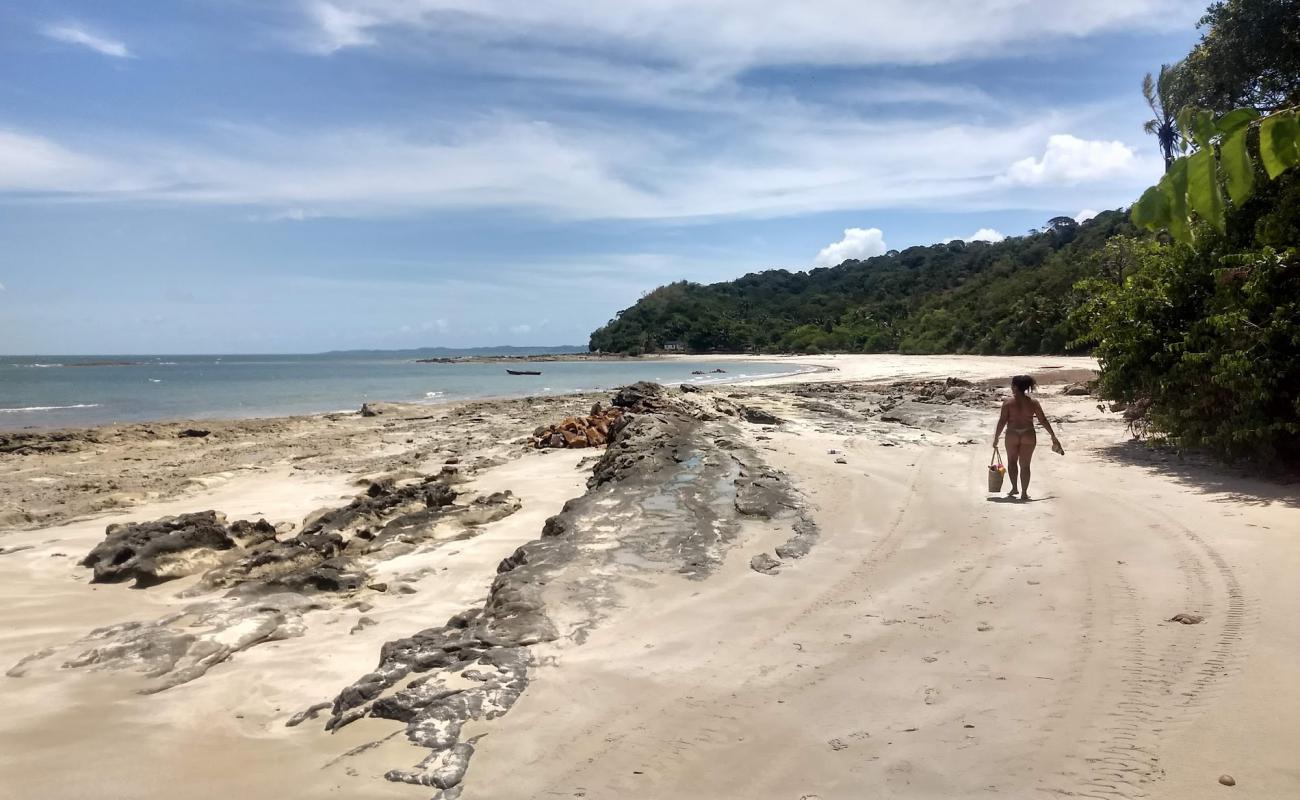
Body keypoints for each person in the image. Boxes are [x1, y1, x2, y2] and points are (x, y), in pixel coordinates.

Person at [992, 375, 1063, 501]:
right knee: (1025, 465)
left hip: (1012, 434)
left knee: (1012, 462)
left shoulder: (1008, 402)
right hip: (1028, 434)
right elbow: (1043, 420)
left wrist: (996, 437)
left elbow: (1002, 421)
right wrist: (1052, 435)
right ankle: (1024, 493)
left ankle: (1014, 488)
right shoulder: (1033, 403)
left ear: (1014, 386)